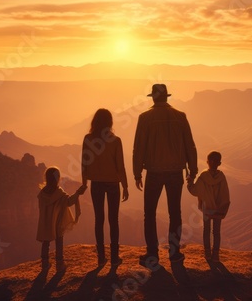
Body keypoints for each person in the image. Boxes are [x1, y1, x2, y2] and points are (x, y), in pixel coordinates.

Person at [133, 84, 198, 267]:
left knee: (150, 214)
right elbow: (189, 145)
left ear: (153, 98)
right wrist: (192, 170)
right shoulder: (180, 116)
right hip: (175, 172)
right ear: (167, 97)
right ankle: (175, 252)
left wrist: (137, 173)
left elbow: (139, 148)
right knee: (175, 212)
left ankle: (152, 254)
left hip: (154, 172)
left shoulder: (145, 118)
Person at [81, 108, 129, 267]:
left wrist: (84, 182)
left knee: (99, 219)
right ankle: (115, 258)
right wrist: (125, 185)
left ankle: (101, 257)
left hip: (96, 184)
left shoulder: (88, 139)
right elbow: (120, 165)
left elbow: (84, 162)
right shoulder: (115, 141)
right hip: (113, 184)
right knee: (113, 220)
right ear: (110, 123)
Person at [36, 166, 86, 271]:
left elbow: (41, 208)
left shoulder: (41, 194)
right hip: (58, 222)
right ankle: (59, 264)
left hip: (46, 222)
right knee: (59, 241)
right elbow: (69, 202)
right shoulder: (59, 194)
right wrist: (77, 193)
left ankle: (45, 264)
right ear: (57, 178)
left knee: (46, 242)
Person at [188, 151, 230, 262]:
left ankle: (207, 253)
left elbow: (195, 191)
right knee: (216, 232)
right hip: (218, 209)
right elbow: (225, 194)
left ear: (207, 162)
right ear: (219, 163)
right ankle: (215, 255)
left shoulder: (204, 176)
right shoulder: (222, 177)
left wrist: (189, 181)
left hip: (207, 209)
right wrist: (222, 207)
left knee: (206, 230)